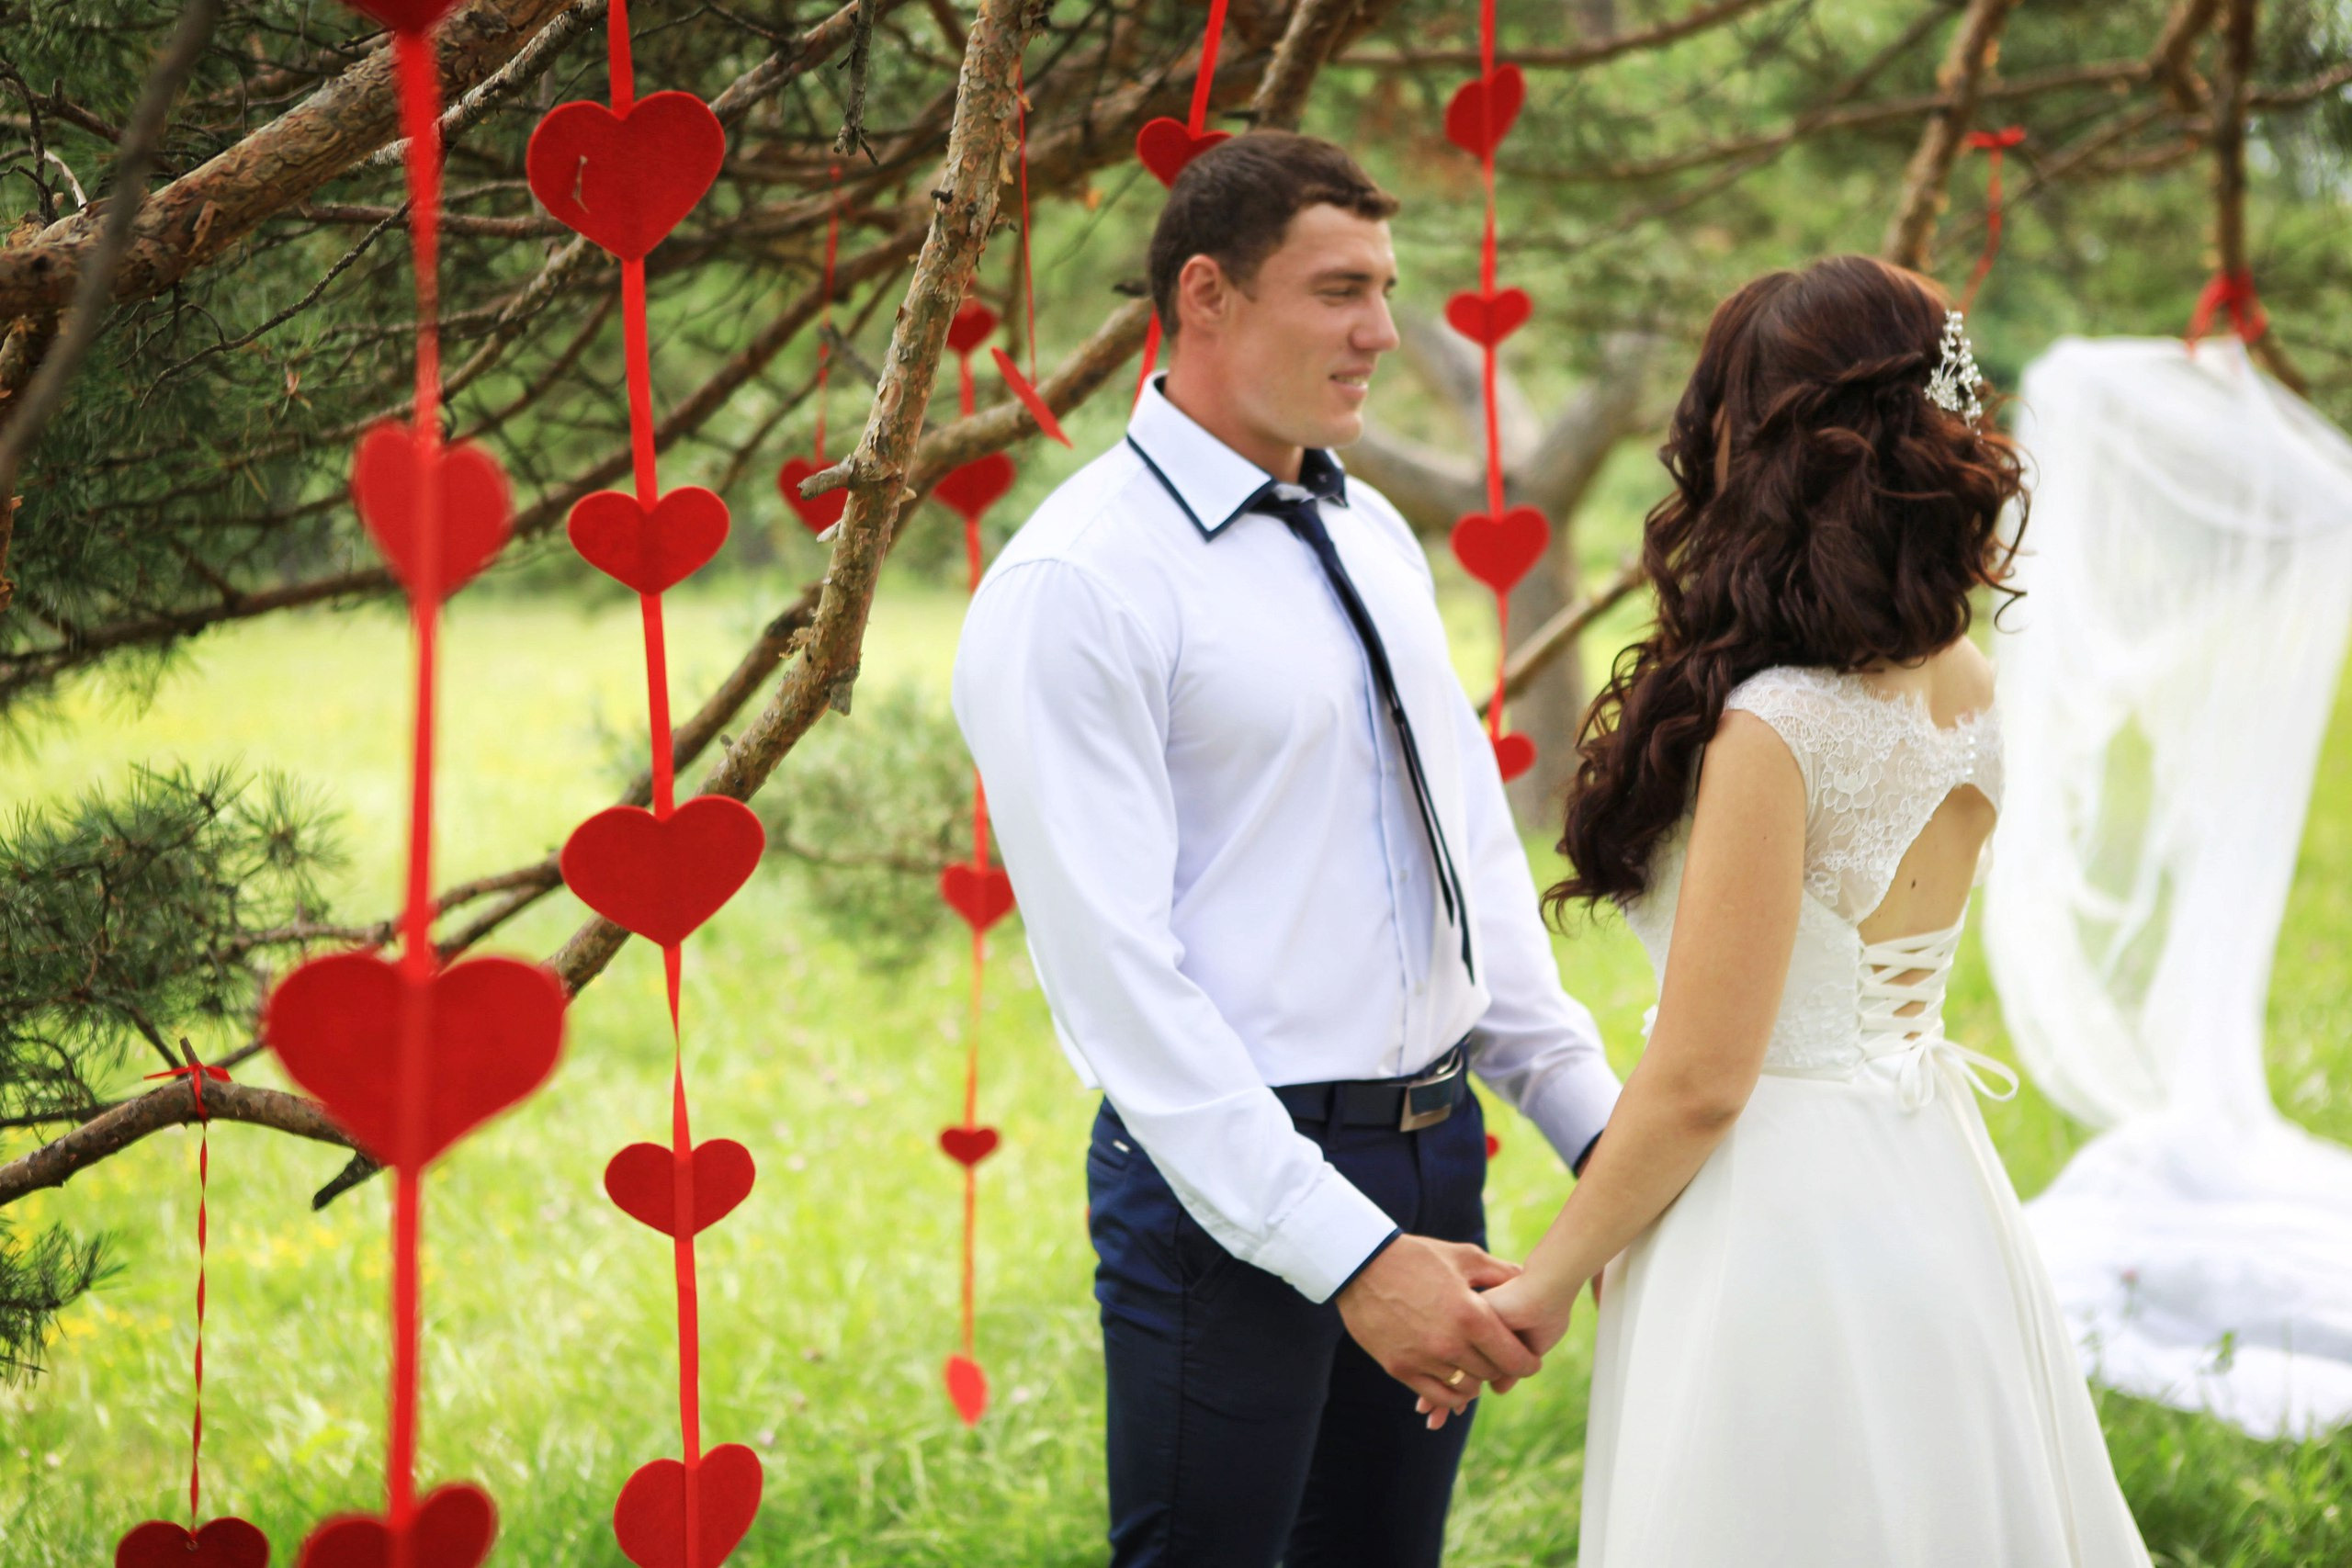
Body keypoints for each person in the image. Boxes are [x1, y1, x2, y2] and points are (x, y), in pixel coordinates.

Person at [950, 131, 1622, 1568]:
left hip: (1441, 1161)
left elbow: (1468, 871)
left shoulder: (1370, 525)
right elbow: (1120, 992)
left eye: (1386, 288)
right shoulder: (1078, 585)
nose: (1382, 330)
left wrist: (1604, 1143)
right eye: (1340, 290)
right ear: (1207, 295)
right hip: (1226, 1189)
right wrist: (1353, 1257)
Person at [1431, 254, 2154, 1566]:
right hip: (1934, 1189)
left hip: (1776, 1225)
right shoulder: (1968, 680)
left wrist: (1543, 1283)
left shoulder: (1780, 724)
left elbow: (1709, 1073)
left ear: (1767, 442)